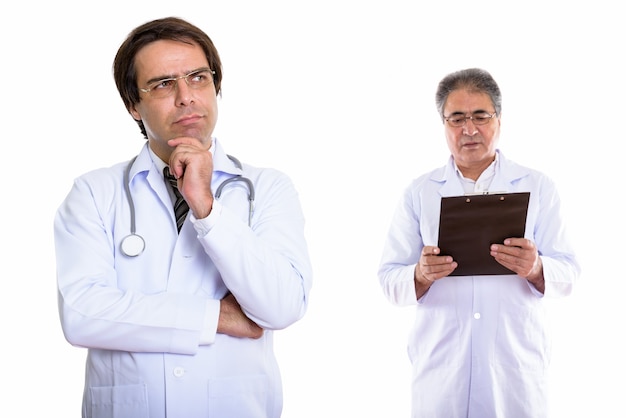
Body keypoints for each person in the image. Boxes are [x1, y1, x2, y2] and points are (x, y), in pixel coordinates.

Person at [54, 17, 312, 418]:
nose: (186, 97)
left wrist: (207, 209)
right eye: (162, 84)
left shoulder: (267, 187)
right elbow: (83, 314)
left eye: (198, 78)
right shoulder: (93, 193)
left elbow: (281, 307)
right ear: (132, 105)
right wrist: (217, 317)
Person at [377, 68, 580, 418]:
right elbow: (389, 279)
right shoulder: (420, 192)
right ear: (443, 125)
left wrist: (536, 268)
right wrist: (421, 274)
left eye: (480, 116)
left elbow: (570, 272)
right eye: (457, 118)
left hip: (514, 370)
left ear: (499, 120)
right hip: (442, 372)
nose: (469, 129)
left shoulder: (537, 186)